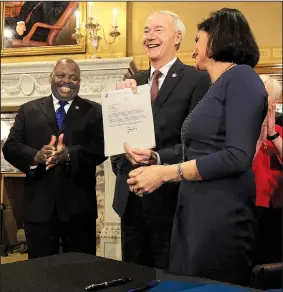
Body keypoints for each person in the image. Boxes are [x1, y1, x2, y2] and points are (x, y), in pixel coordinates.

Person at [126, 8, 268, 285]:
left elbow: (237, 156)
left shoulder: (242, 78)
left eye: (198, 39)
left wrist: (166, 174)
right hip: (194, 211)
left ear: (216, 40)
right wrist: (155, 163)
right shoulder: (217, 85)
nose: (193, 47)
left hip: (220, 215)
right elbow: (197, 149)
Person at [111, 10, 210, 269]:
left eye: (158, 30)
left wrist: (156, 158)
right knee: (132, 277)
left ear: (177, 37)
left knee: (168, 280)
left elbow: (196, 144)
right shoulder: (132, 82)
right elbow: (117, 137)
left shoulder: (197, 79)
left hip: (172, 203)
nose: (149, 36)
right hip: (130, 200)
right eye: (146, 30)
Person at [2, 58, 106, 259]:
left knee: (80, 273)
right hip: (39, 209)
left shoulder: (94, 110)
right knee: (41, 276)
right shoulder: (28, 110)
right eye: (61, 75)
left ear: (79, 82)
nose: (66, 81)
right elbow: (11, 147)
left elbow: (102, 147)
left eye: (73, 77)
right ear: (51, 77)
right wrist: (35, 155)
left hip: (79, 211)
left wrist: (69, 154)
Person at [253, 75, 282, 265]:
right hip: (252, 203)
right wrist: (258, 139)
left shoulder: (279, 129)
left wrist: (272, 134)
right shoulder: (242, 129)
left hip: (278, 203)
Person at [4, 1, 69, 42]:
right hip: (25, 23)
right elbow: (27, 6)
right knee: (3, 22)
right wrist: (21, 22)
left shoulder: (63, 2)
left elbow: (50, 21)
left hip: (35, 32)